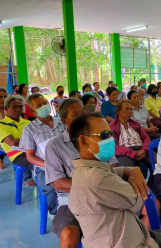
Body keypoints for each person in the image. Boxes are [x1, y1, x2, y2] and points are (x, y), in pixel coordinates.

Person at [68, 113, 161, 248]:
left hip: (134, 233)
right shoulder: (98, 179)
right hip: (128, 243)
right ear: (83, 141)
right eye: (104, 135)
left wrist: (131, 170)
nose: (110, 139)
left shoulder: (83, 170)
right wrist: (133, 176)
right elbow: (138, 202)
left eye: (110, 134)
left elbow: (115, 171)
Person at [45, 99, 118, 248]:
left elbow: (113, 166)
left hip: (105, 194)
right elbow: (58, 182)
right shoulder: (55, 145)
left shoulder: (100, 137)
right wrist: (92, 186)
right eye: (75, 114)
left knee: (147, 206)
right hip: (72, 200)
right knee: (69, 234)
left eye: (82, 112)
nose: (81, 117)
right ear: (65, 120)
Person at [20, 93, 67, 215]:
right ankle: (58, 214)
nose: (44, 106)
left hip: (67, 163)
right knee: (52, 187)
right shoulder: (29, 129)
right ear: (32, 110)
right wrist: (48, 164)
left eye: (45, 103)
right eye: (39, 105)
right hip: (45, 168)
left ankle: (76, 210)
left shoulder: (62, 123)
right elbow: (29, 156)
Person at [0, 95, 35, 186]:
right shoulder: (0, 125)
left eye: (21, 106)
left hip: (32, 150)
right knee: (45, 165)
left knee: (54, 160)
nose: (18, 109)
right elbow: (12, 142)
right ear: (6, 108)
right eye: (14, 106)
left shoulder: (27, 123)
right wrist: (32, 139)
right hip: (18, 155)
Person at [110, 99, 152, 177]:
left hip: (141, 149)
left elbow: (146, 137)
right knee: (126, 171)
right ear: (118, 111)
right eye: (126, 109)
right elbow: (114, 146)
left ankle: (155, 185)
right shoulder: (112, 127)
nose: (130, 111)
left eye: (131, 109)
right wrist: (132, 153)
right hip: (125, 152)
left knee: (158, 163)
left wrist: (145, 149)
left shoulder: (135, 124)